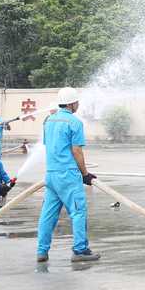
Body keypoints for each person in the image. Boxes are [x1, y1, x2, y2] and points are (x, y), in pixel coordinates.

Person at [35, 87, 100, 264]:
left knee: (48, 215)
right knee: (78, 211)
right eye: (77, 102)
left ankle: (42, 251)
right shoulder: (74, 122)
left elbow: (49, 145)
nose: (78, 104)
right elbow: (76, 150)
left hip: (51, 174)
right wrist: (85, 174)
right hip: (68, 175)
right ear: (72, 103)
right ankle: (80, 250)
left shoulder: (49, 120)